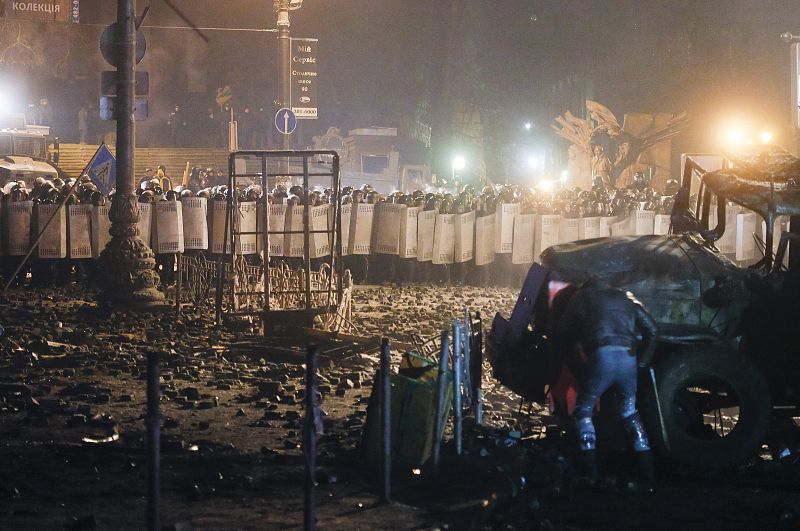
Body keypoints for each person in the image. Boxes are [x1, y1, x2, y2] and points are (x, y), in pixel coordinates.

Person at [554, 277, 658, 491]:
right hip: (629, 360)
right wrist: (643, 361)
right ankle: (648, 474)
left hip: (601, 357)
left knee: (583, 413)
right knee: (629, 413)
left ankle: (590, 471)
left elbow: (562, 330)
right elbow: (653, 330)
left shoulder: (581, 297)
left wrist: (572, 360)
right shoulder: (625, 297)